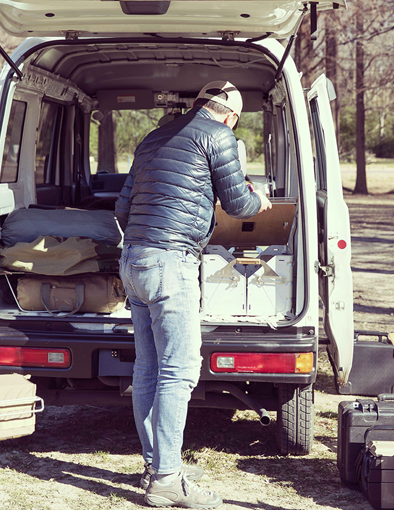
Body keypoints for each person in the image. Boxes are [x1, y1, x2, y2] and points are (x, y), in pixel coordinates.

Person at [115, 81, 272, 509]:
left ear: (201, 104)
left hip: (134, 260)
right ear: (231, 116)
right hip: (171, 263)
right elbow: (237, 204)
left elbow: (122, 209)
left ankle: (158, 465)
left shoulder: (154, 136)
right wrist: (259, 200)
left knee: (149, 368)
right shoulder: (219, 135)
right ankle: (167, 479)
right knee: (178, 371)